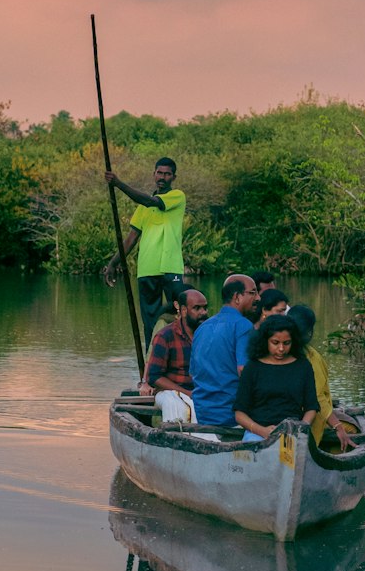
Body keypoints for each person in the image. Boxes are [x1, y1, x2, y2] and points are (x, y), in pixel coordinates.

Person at [102, 158, 186, 349]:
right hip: (147, 269)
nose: (162, 177)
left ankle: (182, 356)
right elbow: (131, 239)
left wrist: (118, 183)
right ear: (154, 174)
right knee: (150, 321)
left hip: (171, 268)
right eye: (159, 173)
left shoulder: (177, 196)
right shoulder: (143, 208)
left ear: (174, 177)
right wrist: (113, 263)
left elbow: (150, 200)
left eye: (167, 174)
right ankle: (151, 363)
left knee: (181, 314)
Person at [188, 274, 260, 427]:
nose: (258, 297)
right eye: (253, 292)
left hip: (203, 412)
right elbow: (244, 371)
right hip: (230, 414)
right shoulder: (244, 326)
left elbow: (192, 373)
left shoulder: (202, 328)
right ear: (237, 297)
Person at [233, 314, 318, 442]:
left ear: (293, 341)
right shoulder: (253, 367)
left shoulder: (303, 366)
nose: (281, 349)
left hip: (293, 433)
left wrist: (300, 429)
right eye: (275, 343)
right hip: (257, 433)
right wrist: (262, 431)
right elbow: (239, 413)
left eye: (286, 343)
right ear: (265, 341)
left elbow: (311, 407)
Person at [287, 304, 355, 449]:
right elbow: (318, 398)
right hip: (310, 422)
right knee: (353, 430)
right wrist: (337, 426)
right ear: (309, 332)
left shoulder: (280, 350)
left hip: (294, 419)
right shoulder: (309, 357)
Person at [142, 287, 209, 422]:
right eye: (197, 308)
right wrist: (187, 393)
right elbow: (154, 377)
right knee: (177, 407)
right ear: (183, 311)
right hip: (169, 393)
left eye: (205, 308)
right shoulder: (166, 335)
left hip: (201, 392)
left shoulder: (209, 334)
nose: (203, 312)